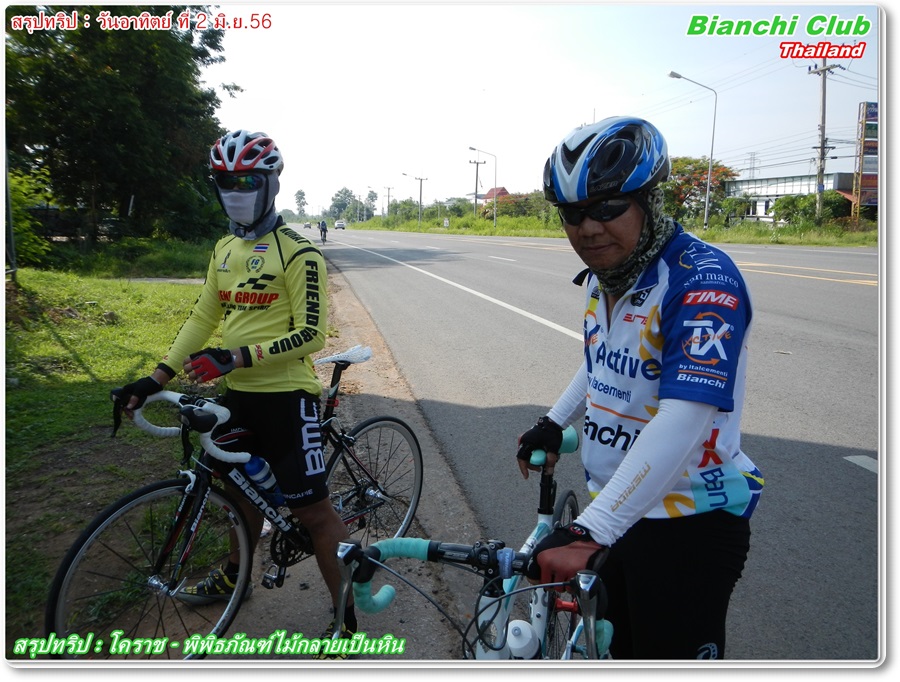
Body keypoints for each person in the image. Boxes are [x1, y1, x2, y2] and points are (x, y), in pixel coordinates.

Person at [516, 116, 763, 660]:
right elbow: (601, 361)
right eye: (573, 214)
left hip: (688, 521)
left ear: (649, 200)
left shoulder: (702, 281)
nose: (588, 228)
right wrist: (555, 420)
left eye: (608, 207)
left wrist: (589, 531)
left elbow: (686, 416)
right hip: (618, 509)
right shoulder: (609, 275)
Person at [115, 129, 356, 657]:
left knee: (314, 514)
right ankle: (234, 575)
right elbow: (203, 317)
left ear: (271, 184)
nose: (236, 192)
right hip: (238, 397)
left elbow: (312, 334)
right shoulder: (224, 249)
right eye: (226, 183)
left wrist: (238, 356)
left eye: (247, 181)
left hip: (287, 397)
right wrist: (156, 377)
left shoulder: (299, 252)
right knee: (236, 494)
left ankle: (347, 624)